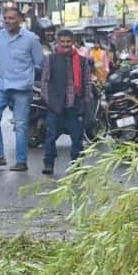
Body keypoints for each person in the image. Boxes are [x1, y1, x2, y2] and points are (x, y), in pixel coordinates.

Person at [0, 4, 43, 171]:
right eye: (5, 18)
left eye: (11, 18)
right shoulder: (1, 35)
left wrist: (28, 79)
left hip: (22, 88)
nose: (7, 21)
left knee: (20, 125)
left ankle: (21, 161)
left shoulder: (31, 39)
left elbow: (40, 63)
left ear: (20, 20)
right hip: (1, 85)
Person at [40, 28, 95, 176]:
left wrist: (85, 102)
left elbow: (87, 83)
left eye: (68, 42)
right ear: (58, 42)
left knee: (77, 139)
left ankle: (76, 166)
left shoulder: (82, 61)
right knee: (50, 137)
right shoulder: (50, 59)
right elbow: (44, 82)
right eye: (62, 42)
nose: (65, 44)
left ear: (73, 42)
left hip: (75, 106)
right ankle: (49, 163)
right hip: (56, 106)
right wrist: (49, 102)